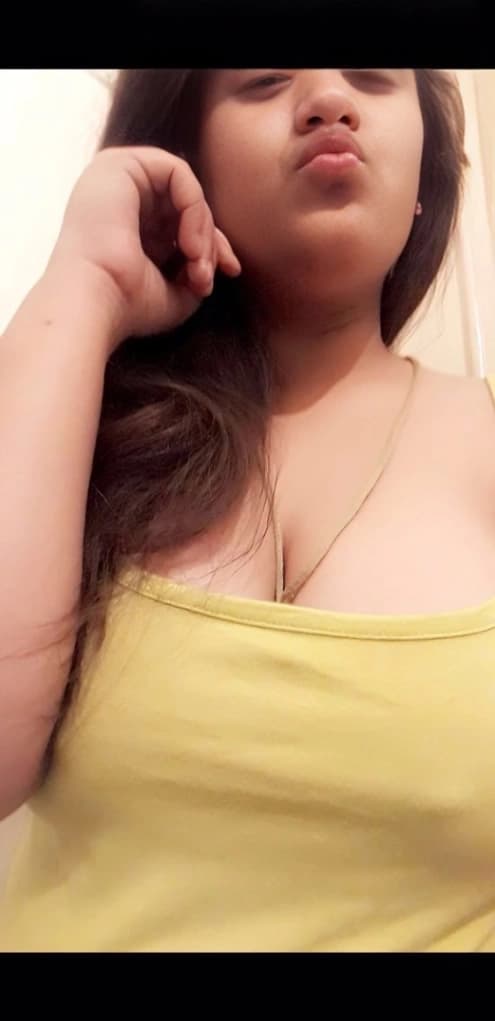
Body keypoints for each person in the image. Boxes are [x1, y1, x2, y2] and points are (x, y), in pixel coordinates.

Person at [1, 68, 495, 953]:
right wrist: (83, 284)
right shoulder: (79, 427)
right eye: (263, 79)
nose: (327, 99)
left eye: (372, 75)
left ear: (425, 181)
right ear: (186, 158)